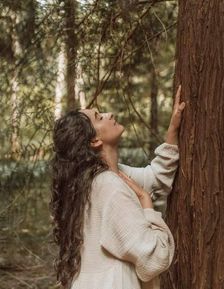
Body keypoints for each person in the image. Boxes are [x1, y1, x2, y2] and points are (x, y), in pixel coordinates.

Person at [50, 85, 185, 289]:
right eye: (99, 117)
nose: (109, 114)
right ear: (94, 140)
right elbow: (155, 259)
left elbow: (156, 177)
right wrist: (147, 204)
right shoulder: (110, 186)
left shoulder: (98, 178)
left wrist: (173, 129)